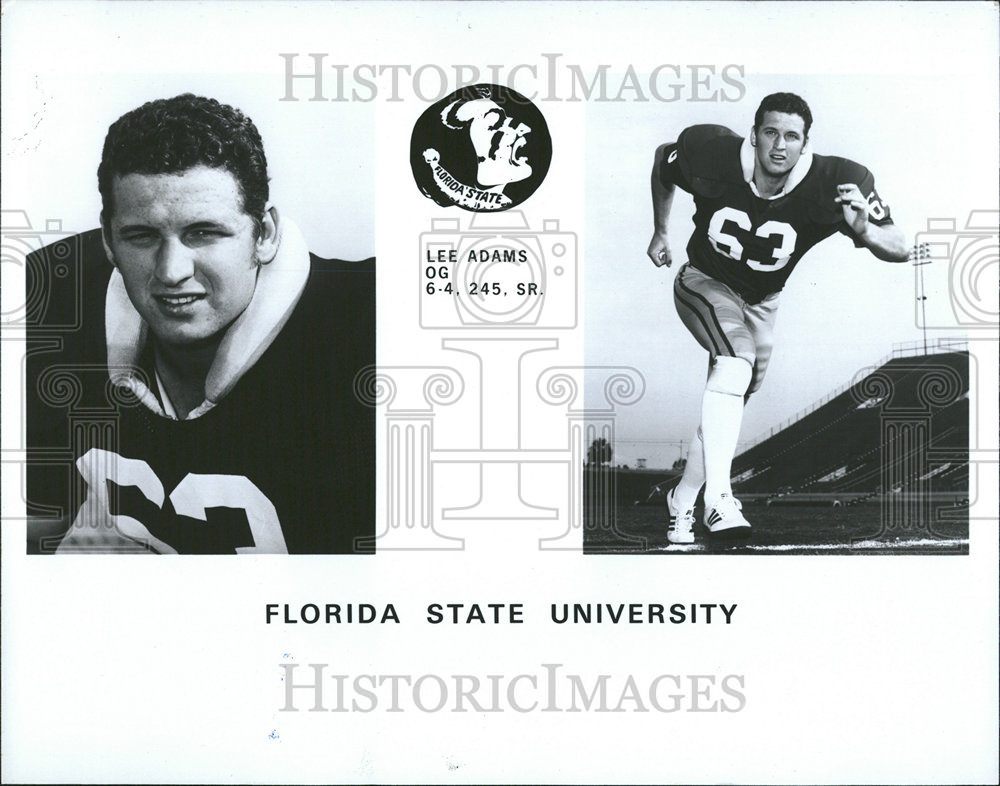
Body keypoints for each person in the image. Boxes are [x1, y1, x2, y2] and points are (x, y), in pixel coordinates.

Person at [26, 94, 375, 554]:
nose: (171, 271)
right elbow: (33, 524)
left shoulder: (371, 328)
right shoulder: (47, 298)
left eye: (203, 233)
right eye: (141, 236)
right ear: (109, 241)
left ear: (265, 233)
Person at [646, 92, 908, 544]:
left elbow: (900, 247)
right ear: (754, 134)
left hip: (764, 302)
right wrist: (660, 230)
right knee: (734, 361)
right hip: (703, 281)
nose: (779, 145)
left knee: (727, 403)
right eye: (770, 132)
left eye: (791, 136)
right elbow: (661, 163)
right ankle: (720, 500)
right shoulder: (712, 152)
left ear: (806, 144)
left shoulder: (838, 181)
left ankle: (683, 500)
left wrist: (863, 230)